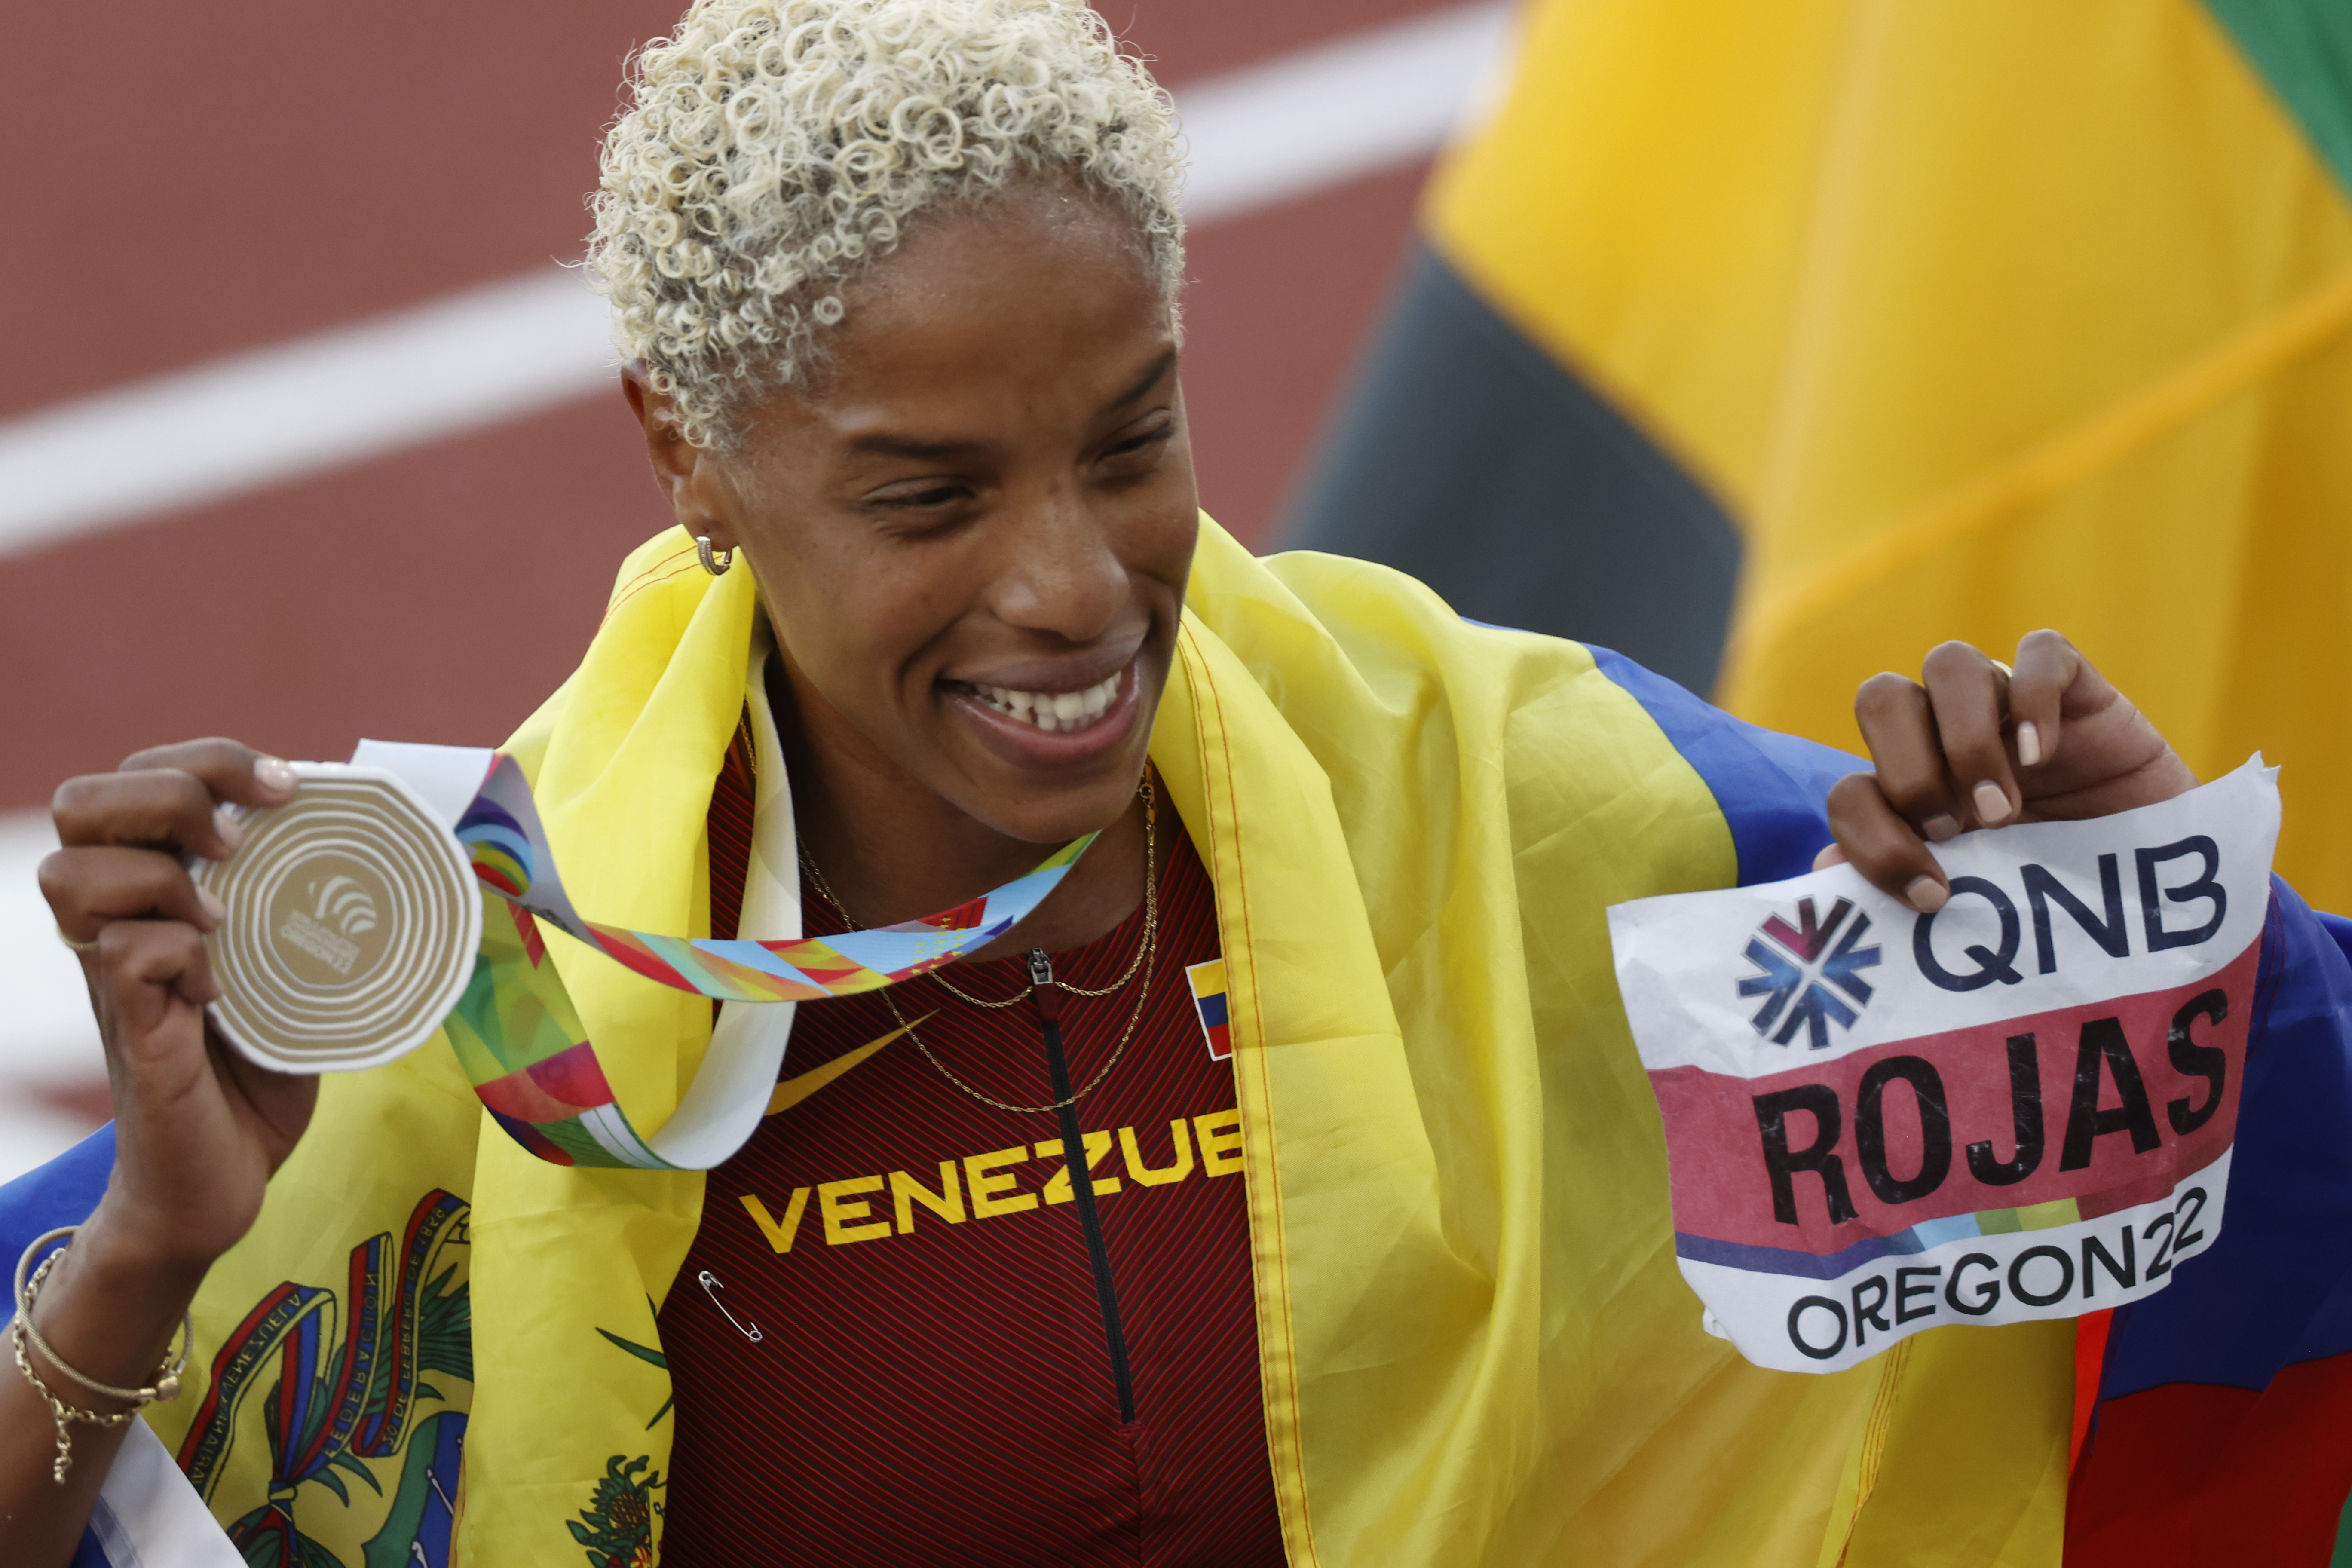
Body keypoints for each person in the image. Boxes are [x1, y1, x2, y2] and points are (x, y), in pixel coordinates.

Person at [7, 2, 2352, 1564]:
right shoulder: (510, 1002)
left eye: (1131, 445)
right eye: (930, 496)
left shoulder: (1516, 800)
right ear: (694, 459)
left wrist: (2169, 945)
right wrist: (149, 1258)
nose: (1071, 590)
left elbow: (2266, 1171)